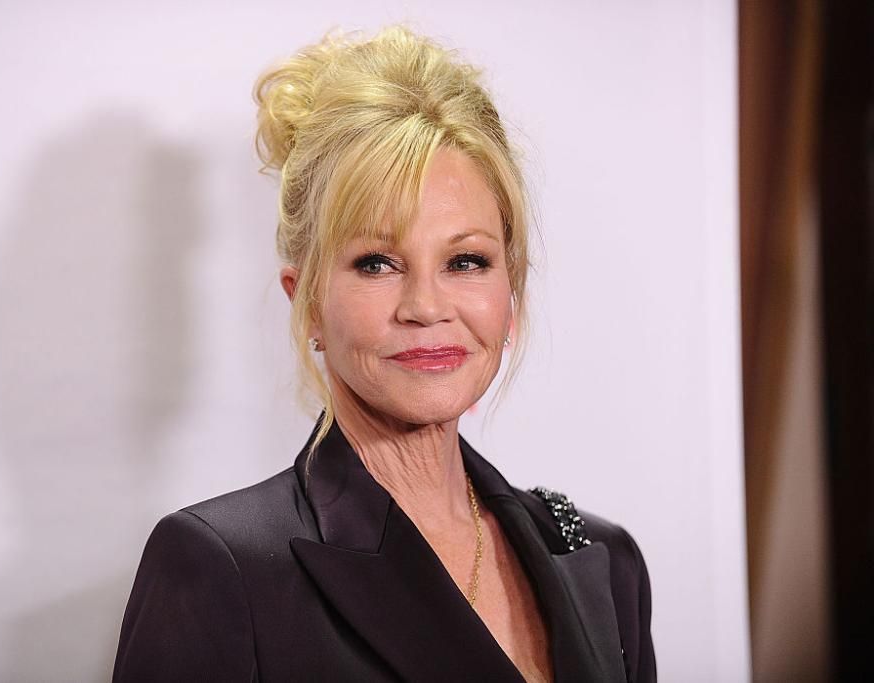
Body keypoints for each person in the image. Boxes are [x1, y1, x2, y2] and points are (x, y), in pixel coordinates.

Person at [113, 24, 655, 683]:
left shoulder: (604, 560)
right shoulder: (222, 568)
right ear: (307, 301)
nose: (426, 306)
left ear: (509, 292)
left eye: (466, 261)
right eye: (377, 262)